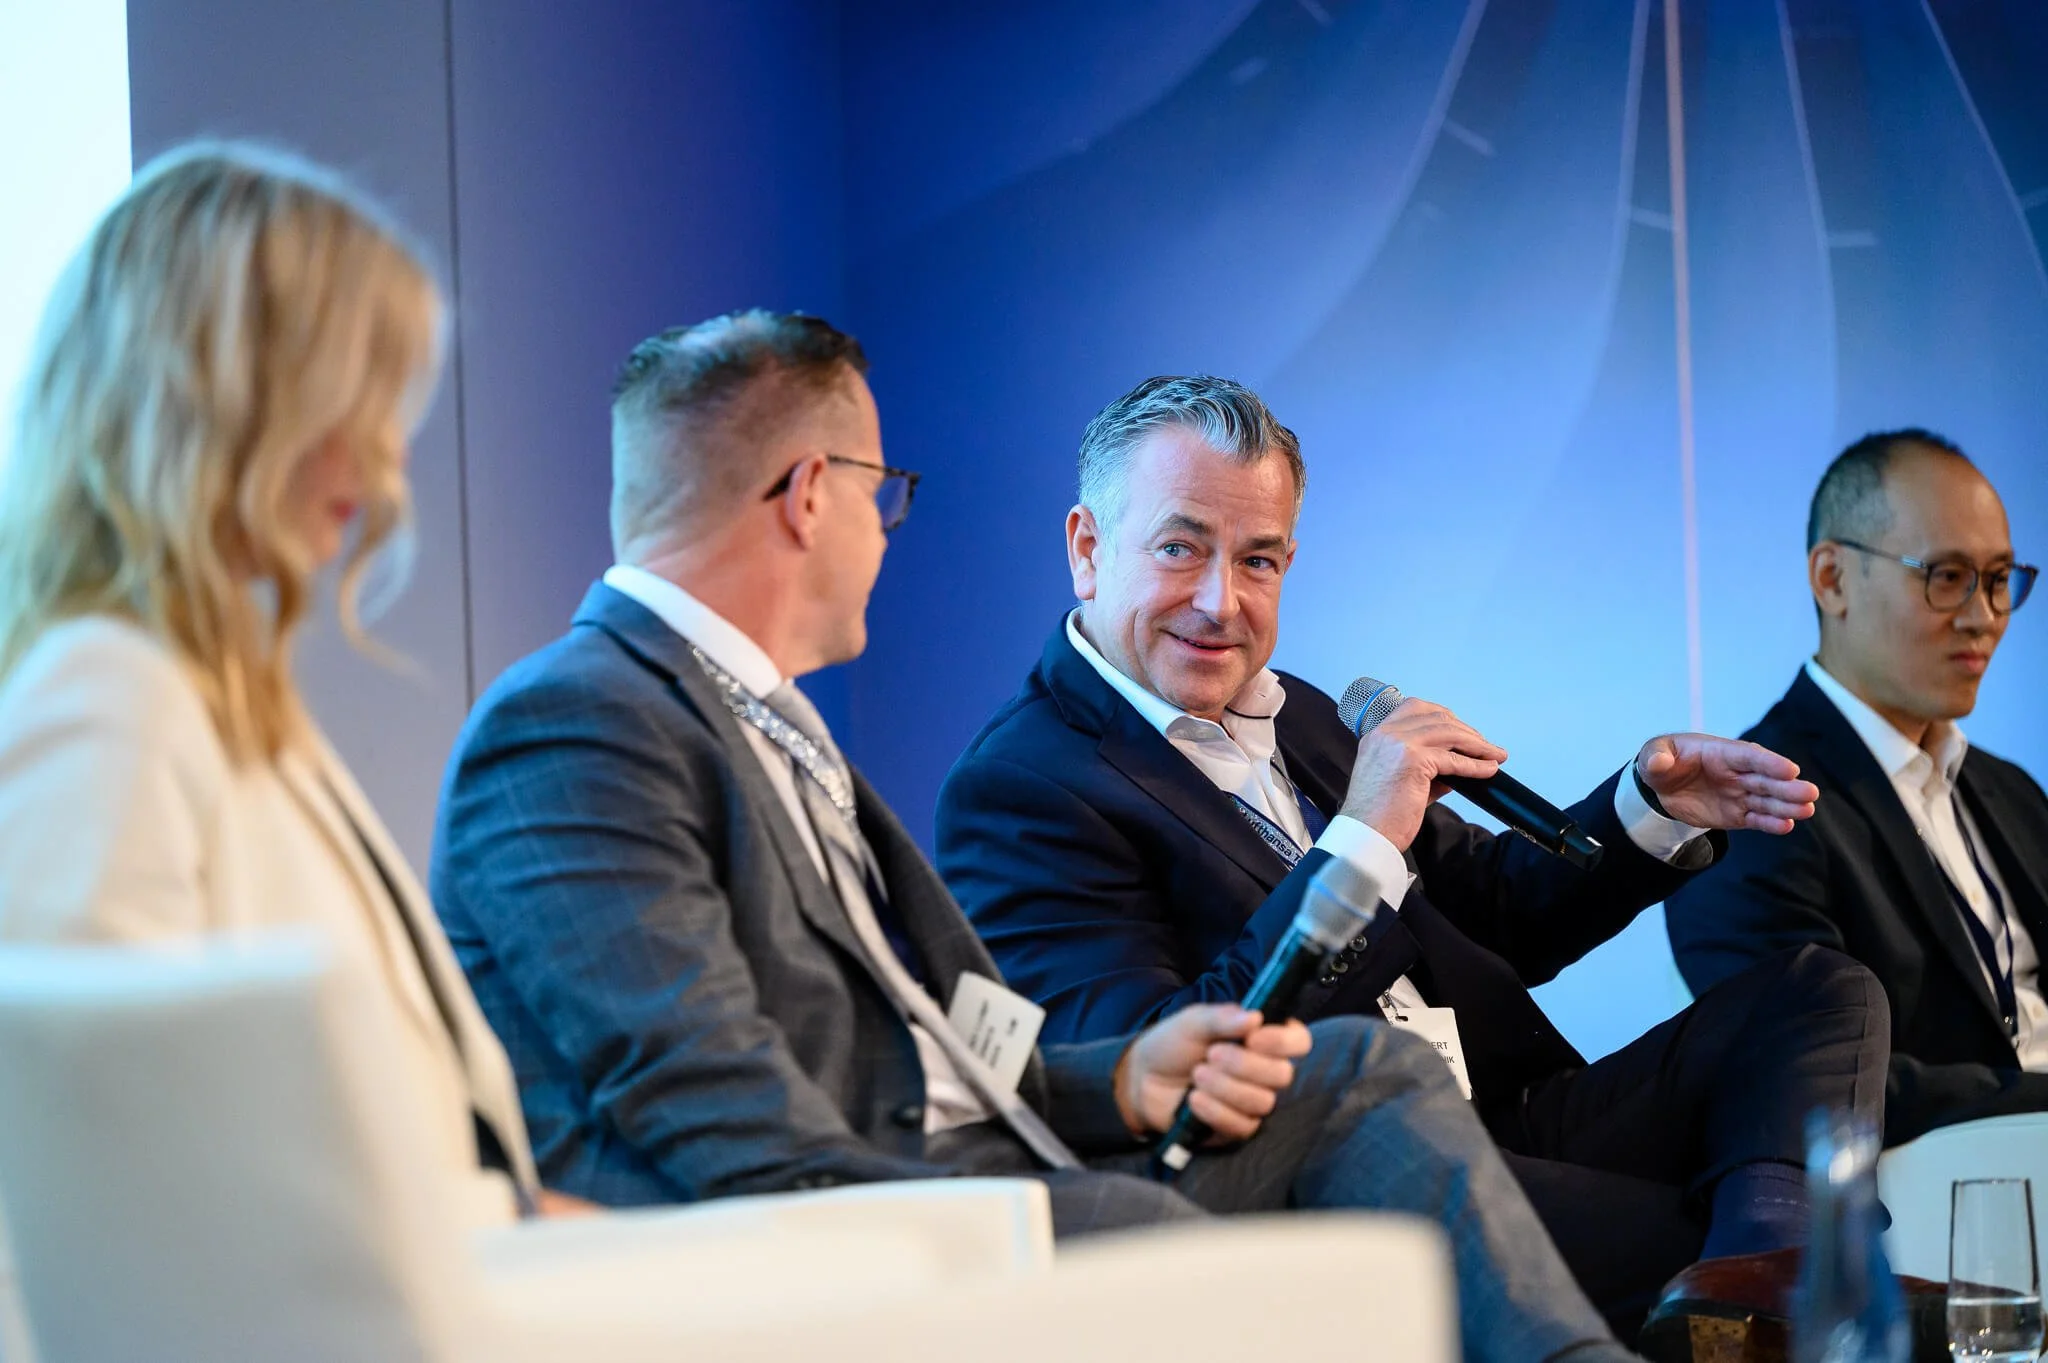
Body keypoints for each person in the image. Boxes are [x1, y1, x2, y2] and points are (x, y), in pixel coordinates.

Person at [431, 309, 1649, 1363]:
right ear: (811, 496)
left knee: (1355, 1076)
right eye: (878, 493)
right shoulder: (577, 725)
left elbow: (926, 1042)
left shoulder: (764, 723)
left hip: (975, 1163)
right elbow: (720, 1120)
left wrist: (1116, 1075)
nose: (882, 529)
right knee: (1160, 1244)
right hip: (799, 1249)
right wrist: (1008, 1217)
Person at [933, 374, 1891, 1337]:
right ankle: (1774, 1293)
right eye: (1181, 548)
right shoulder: (1022, 787)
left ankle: (1770, 1273)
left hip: (1508, 1112)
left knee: (1819, 993)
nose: (1222, 601)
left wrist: (1645, 808)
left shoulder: (1298, 710)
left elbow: (1502, 914)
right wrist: (1362, 837)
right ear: (1088, 550)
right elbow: (1163, 1072)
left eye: (1259, 560)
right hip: (1356, 1168)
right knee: (1689, 1241)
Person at [0, 140, 574, 1226]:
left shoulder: (215, 698)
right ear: (222, 394)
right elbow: (95, 1182)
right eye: (355, 401)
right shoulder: (109, 695)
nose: (391, 470)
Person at [1667, 430, 2045, 1145]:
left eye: (1999, 579)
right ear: (1833, 578)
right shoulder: (1752, 806)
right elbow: (1815, 1073)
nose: (1984, 615)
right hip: (1929, 1202)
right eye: (1946, 576)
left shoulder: (2011, 793)